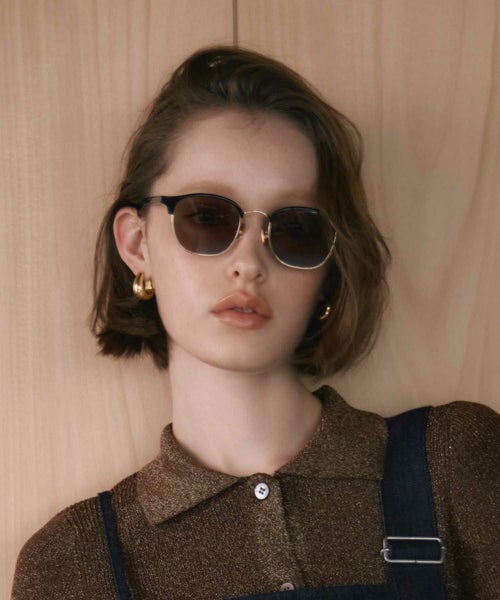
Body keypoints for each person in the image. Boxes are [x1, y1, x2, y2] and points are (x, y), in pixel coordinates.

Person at [11, 46, 499, 600]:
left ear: (328, 268)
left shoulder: (456, 464)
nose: (249, 262)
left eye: (293, 229)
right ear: (137, 244)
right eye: (207, 216)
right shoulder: (71, 566)